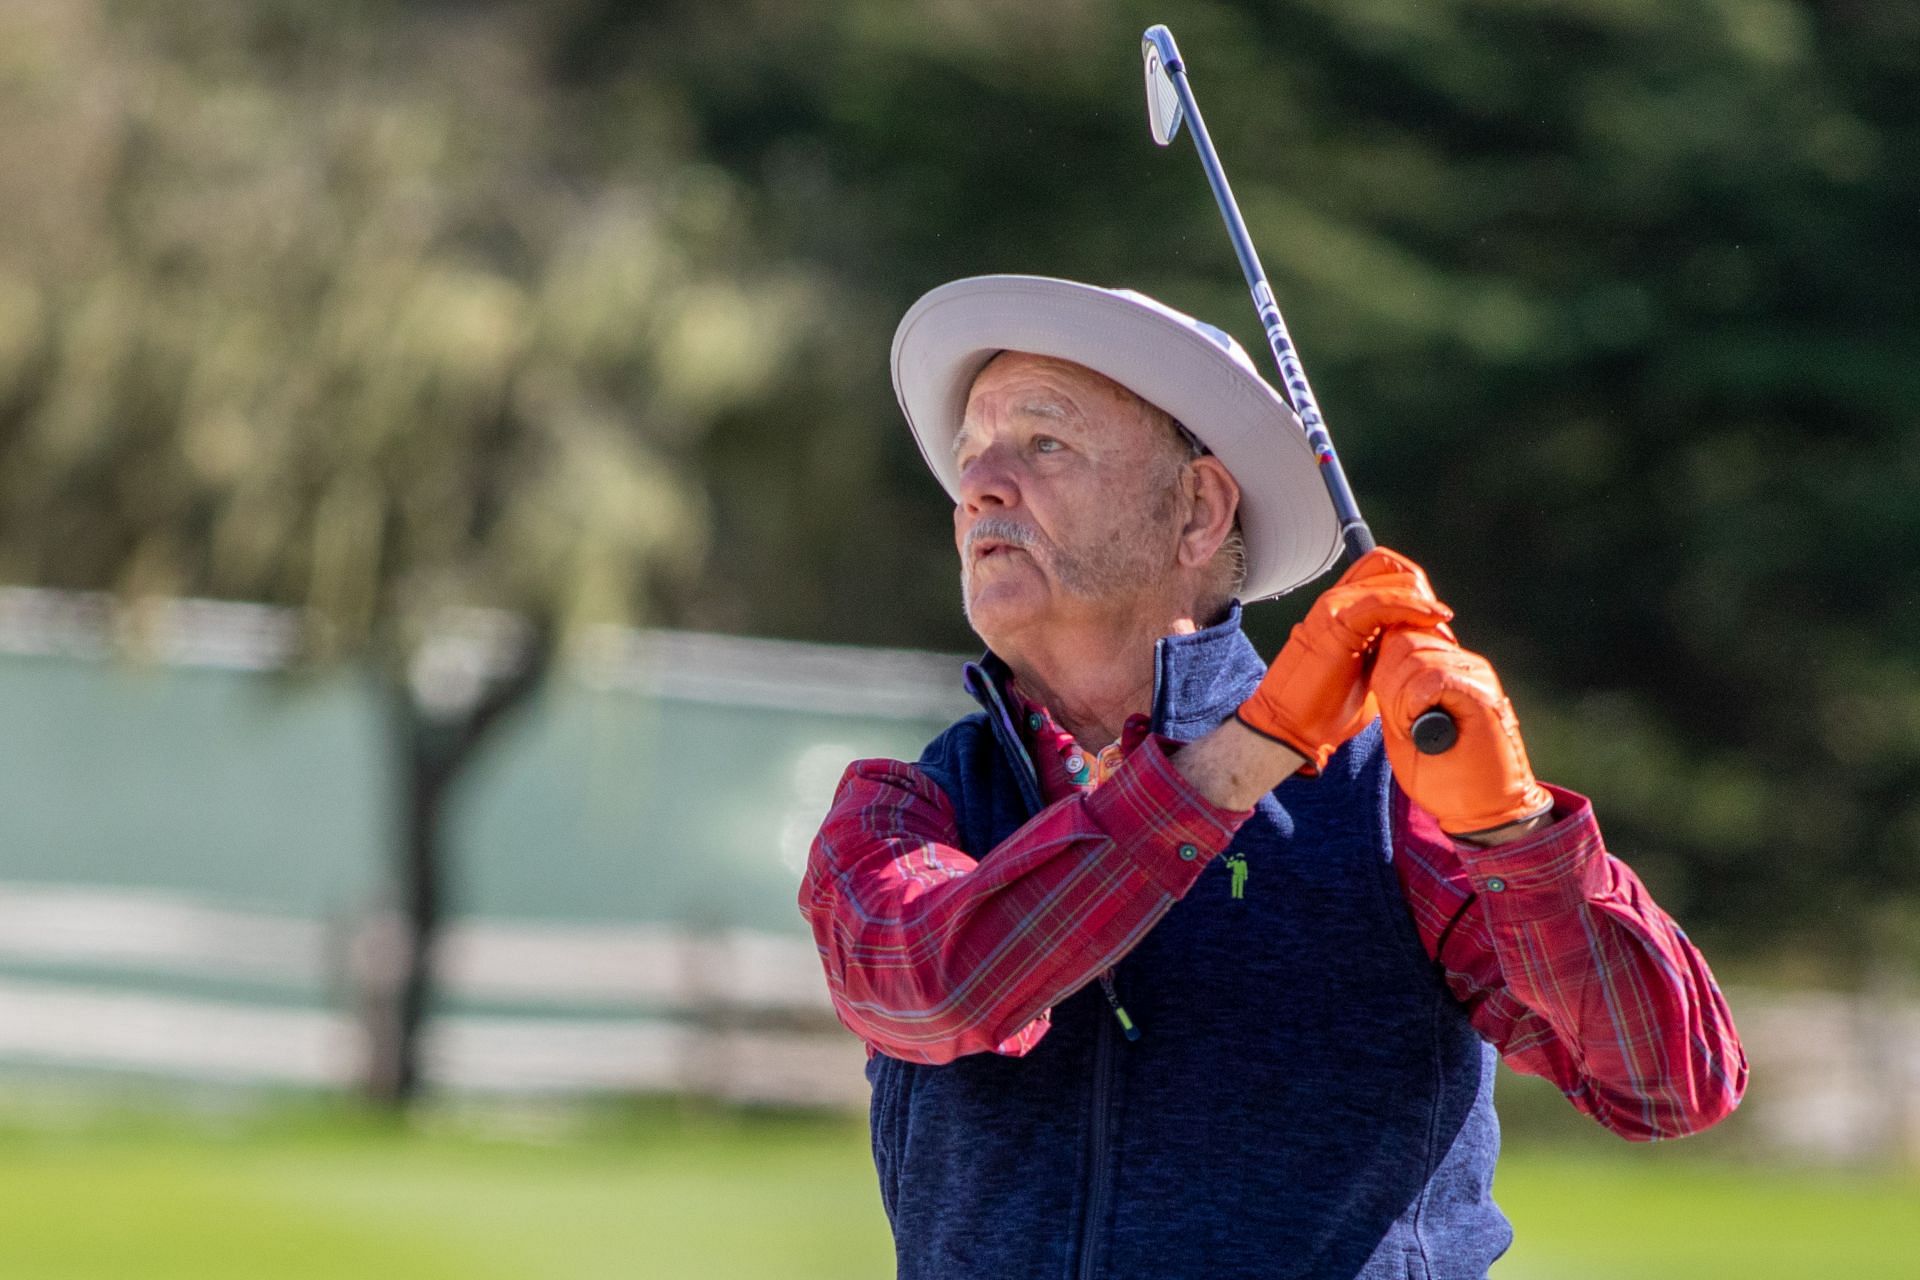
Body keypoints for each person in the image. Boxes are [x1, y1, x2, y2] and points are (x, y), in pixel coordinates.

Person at [799, 276, 1746, 1279]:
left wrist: (1517, 834)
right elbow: (939, 988)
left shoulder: (1391, 794)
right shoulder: (907, 802)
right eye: (970, 455)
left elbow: (1669, 1080)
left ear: (1199, 509)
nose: (980, 483)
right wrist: (1241, 760)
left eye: (1043, 442)